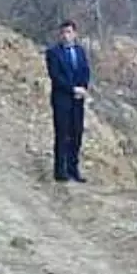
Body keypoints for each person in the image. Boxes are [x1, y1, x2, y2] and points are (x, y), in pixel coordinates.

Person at [45, 20, 90, 182]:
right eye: (63, 32)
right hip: (61, 99)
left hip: (78, 100)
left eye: (69, 32)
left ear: (75, 34)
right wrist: (72, 89)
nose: (66, 36)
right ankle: (60, 170)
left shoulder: (80, 51)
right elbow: (55, 77)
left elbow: (85, 71)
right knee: (62, 134)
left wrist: (83, 88)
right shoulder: (53, 53)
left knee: (76, 134)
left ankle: (73, 169)